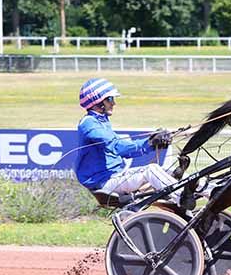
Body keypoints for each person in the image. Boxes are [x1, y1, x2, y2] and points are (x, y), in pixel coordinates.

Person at [75, 78, 183, 206]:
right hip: (105, 182)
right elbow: (118, 148)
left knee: (168, 171)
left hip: (114, 177)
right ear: (97, 102)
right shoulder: (89, 124)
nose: (114, 103)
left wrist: (153, 143)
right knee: (151, 170)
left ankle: (206, 191)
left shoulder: (102, 121)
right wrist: (150, 143)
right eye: (110, 99)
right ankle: (181, 198)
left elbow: (125, 151)